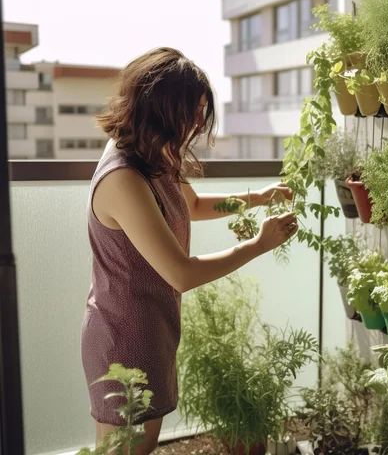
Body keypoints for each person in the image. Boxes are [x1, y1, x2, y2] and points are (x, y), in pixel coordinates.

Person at [81, 47, 297, 454]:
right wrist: (258, 244)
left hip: (150, 326)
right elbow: (180, 273)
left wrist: (255, 198)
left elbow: (192, 206)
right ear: (161, 106)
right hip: (123, 340)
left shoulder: (152, 155)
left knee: (137, 446)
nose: (199, 122)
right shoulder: (124, 178)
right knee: (125, 449)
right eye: (192, 110)